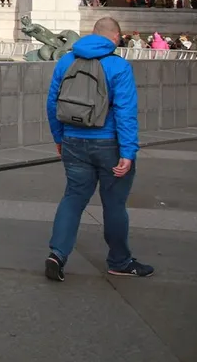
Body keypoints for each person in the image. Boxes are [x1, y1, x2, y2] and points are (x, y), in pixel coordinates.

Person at [45, 16, 152, 281]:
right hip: (109, 143)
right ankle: (119, 261)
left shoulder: (66, 61)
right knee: (114, 204)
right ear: (116, 37)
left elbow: (52, 104)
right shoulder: (118, 65)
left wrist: (59, 137)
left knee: (73, 198)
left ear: (92, 34)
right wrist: (128, 151)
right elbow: (126, 111)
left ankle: (57, 254)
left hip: (72, 140)